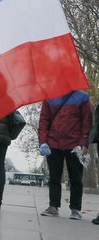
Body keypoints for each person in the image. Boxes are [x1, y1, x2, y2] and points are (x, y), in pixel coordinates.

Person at [38, 90, 92, 220]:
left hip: (74, 144)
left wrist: (84, 143)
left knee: (76, 178)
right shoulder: (49, 96)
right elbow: (44, 120)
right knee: (54, 177)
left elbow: (87, 121)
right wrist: (42, 142)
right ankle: (53, 206)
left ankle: (75, 209)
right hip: (53, 143)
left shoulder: (83, 97)